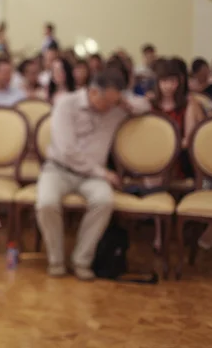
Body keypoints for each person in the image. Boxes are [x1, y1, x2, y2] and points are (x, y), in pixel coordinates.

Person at [36, 68, 150, 280]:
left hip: (92, 177)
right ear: (93, 92)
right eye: (107, 101)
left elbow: (146, 104)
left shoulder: (116, 107)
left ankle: (81, 260)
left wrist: (127, 104)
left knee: (104, 201)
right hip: (59, 169)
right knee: (46, 203)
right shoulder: (66, 104)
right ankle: (56, 260)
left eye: (115, 102)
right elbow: (67, 151)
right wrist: (102, 173)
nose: (110, 108)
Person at [146, 60, 204, 252]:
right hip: (156, 155)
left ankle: (160, 233)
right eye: (164, 81)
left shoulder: (188, 104)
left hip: (180, 156)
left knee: (157, 172)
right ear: (158, 82)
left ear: (179, 81)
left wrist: (167, 150)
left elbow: (189, 139)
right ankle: (157, 230)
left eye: (172, 81)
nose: (168, 86)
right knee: (153, 170)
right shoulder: (151, 103)